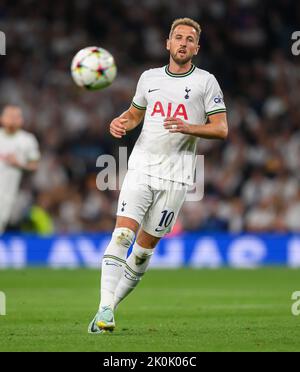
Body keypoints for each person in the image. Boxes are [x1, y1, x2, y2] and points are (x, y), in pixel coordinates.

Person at [88, 17, 228, 333]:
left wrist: (189, 126)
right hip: (140, 168)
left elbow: (221, 129)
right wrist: (121, 121)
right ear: (167, 43)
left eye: (189, 39)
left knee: (142, 253)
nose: (183, 43)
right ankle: (105, 309)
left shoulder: (206, 82)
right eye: (178, 37)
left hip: (177, 177)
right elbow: (136, 113)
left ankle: (109, 309)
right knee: (122, 235)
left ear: (196, 47)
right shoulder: (149, 78)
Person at [0, 105, 40, 234]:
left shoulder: (27, 140)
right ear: (2, 119)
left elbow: (35, 166)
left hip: (8, 195)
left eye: (16, 117)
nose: (13, 119)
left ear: (21, 120)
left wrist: (19, 164)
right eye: (9, 116)